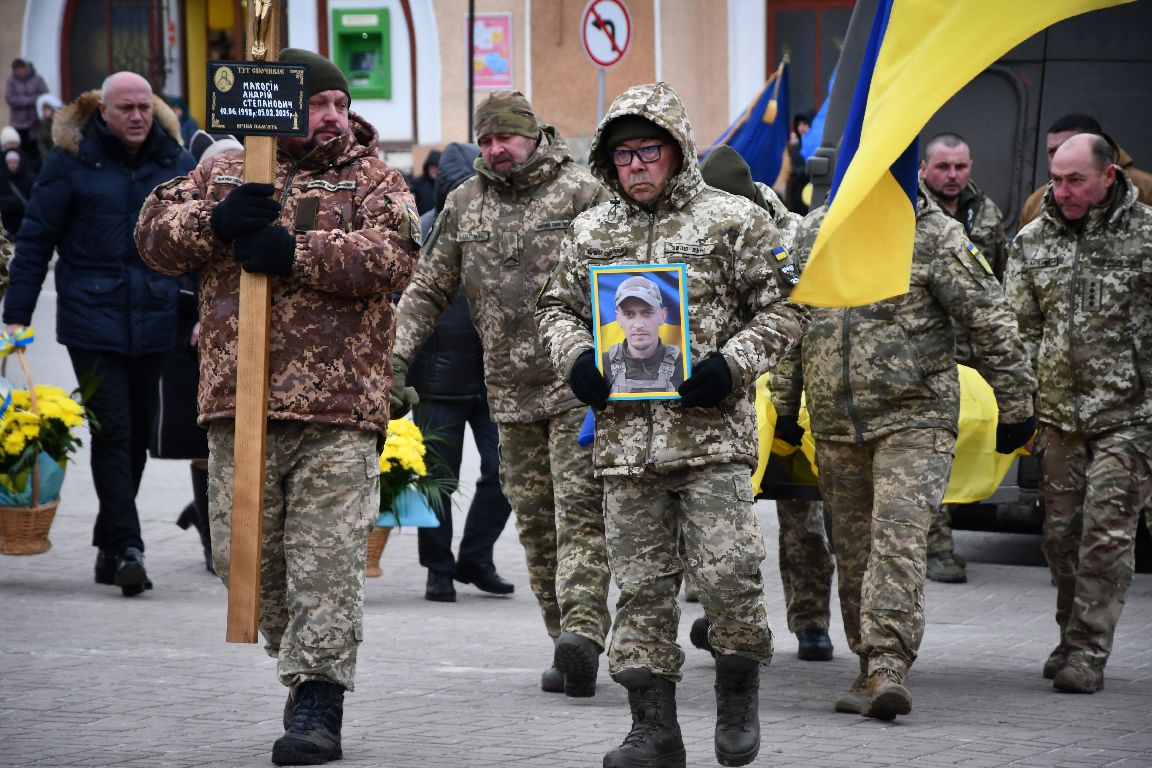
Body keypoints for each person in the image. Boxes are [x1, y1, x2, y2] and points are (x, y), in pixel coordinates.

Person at [135, 48, 420, 765]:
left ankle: (320, 698)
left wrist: (296, 250)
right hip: (239, 406)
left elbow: (394, 256)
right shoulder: (224, 172)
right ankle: (300, 666)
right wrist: (217, 223)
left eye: (339, 104)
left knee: (327, 563)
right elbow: (152, 236)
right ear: (284, 108)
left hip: (339, 412)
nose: (332, 116)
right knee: (247, 564)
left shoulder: (373, 178)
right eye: (317, 104)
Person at [537, 81, 808, 768]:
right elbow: (555, 309)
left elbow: (787, 309)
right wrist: (576, 360)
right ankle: (653, 729)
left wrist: (732, 365)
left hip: (711, 438)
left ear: (678, 150)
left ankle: (737, 694)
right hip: (626, 449)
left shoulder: (733, 221)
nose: (635, 166)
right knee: (641, 589)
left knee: (730, 577)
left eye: (648, 151)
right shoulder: (591, 230)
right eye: (623, 154)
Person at [772, 188, 1037, 722]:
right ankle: (867, 663)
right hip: (836, 424)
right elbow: (792, 322)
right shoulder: (816, 231)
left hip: (916, 418)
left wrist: (1016, 403)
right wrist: (782, 404)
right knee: (854, 551)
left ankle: (888, 665)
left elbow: (990, 319)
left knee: (897, 540)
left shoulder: (936, 235)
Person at [393, 90, 613, 698]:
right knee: (537, 527)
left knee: (579, 516)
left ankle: (585, 632)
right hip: (507, 398)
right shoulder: (464, 203)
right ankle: (562, 642)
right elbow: (425, 290)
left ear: (533, 136)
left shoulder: (584, 193)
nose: (495, 150)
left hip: (576, 390)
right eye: (486, 140)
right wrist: (394, 359)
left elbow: (627, 279)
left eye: (505, 138)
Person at [2, 71, 194, 597]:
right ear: (102, 112)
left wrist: (204, 309)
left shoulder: (174, 161)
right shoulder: (71, 161)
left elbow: (196, 241)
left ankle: (109, 546)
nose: (136, 116)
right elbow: (36, 238)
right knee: (112, 429)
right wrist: (16, 314)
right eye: (125, 108)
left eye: (144, 107)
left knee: (137, 435)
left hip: (153, 316)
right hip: (91, 318)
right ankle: (130, 546)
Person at [1004, 133, 1152, 695]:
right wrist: (1020, 407)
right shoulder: (1032, 242)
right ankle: (1071, 634)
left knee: (1105, 536)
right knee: (1060, 539)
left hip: (1130, 416)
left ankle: (1088, 651)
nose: (1062, 191)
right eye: (1056, 180)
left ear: (1108, 176)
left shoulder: (1145, 237)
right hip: (1058, 418)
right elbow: (1019, 330)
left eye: (1075, 181)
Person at [696, 144, 835, 663]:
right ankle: (722, 617)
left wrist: (790, 402)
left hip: (786, 392)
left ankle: (811, 619)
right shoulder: (695, 232)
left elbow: (805, 319)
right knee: (718, 516)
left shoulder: (792, 237)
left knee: (803, 518)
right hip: (723, 391)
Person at [408, 140, 514, 603]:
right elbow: (404, 305)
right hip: (437, 381)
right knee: (437, 479)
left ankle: (475, 556)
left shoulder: (503, 227)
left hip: (496, 380)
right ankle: (437, 568)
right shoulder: (422, 232)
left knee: (507, 472)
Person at [918, 131, 1010, 584]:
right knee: (932, 450)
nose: (953, 175)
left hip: (974, 359)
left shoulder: (986, 213)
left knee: (963, 449)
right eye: (943, 167)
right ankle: (937, 547)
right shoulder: (914, 214)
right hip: (928, 358)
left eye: (960, 166)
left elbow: (999, 282)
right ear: (924, 169)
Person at [1019, 113, 1152, 228]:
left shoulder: (1146, 190)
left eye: (1068, 147)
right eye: (1052, 151)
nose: (1060, 155)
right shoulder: (1035, 204)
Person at [600, 275, 685, 395]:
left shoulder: (682, 363)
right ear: (618, 318)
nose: (638, 325)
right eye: (629, 314)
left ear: (662, 316)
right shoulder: (603, 363)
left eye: (647, 313)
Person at [5, 58, 48, 162]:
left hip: (35, 122)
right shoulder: (12, 81)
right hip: (18, 124)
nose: (19, 71)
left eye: (21, 68)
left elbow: (44, 96)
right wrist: (31, 100)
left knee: (35, 151)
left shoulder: (38, 79)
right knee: (21, 152)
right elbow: (10, 99)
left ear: (27, 68)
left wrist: (23, 100)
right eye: (17, 69)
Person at [0, 147, 35, 236]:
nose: (12, 165)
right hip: (7, 219)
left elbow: (34, 197)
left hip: (24, 218)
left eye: (15, 162)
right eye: (10, 162)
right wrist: (11, 201)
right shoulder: (2, 178)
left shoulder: (29, 178)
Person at [786, 112, 812, 214]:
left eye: (805, 123)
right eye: (799, 124)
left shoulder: (815, 145)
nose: (801, 127)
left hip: (810, 194)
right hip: (796, 196)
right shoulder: (794, 147)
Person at [410, 148, 440, 215]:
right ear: (427, 167)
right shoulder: (418, 182)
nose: (435, 170)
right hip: (422, 219)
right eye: (433, 167)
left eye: (437, 167)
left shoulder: (444, 184)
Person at [35, 93, 63, 159]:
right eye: (44, 110)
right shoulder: (43, 125)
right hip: (48, 156)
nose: (46, 112)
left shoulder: (59, 124)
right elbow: (41, 142)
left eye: (48, 110)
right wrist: (45, 155)